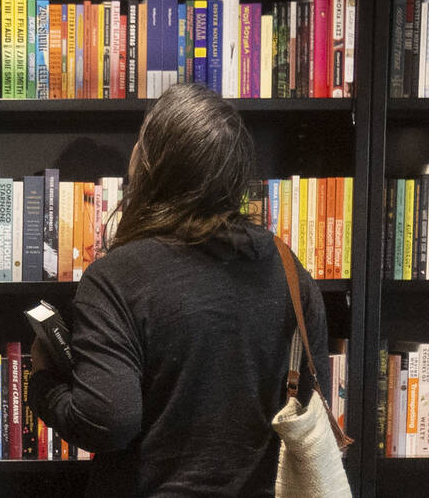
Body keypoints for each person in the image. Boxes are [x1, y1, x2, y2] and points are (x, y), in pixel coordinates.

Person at [27, 82, 331, 496]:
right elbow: (312, 398)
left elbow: (106, 422)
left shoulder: (115, 278)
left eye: (142, 139)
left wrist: (43, 382)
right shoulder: (287, 267)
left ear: (155, 166)